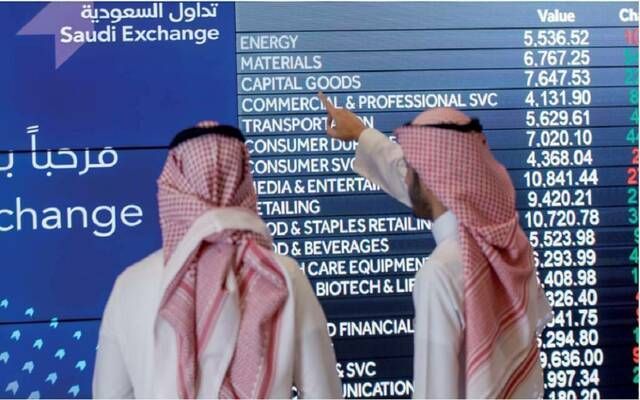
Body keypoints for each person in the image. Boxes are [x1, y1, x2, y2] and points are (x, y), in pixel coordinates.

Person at [318, 93, 552, 399]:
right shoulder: (506, 244)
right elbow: (420, 184)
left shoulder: (440, 274)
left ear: (432, 179)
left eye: (411, 166)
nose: (406, 176)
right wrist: (361, 133)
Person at [93, 121, 342, 399]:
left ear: (174, 186)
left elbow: (109, 394)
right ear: (244, 181)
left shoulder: (131, 283)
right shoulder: (284, 275)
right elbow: (323, 393)